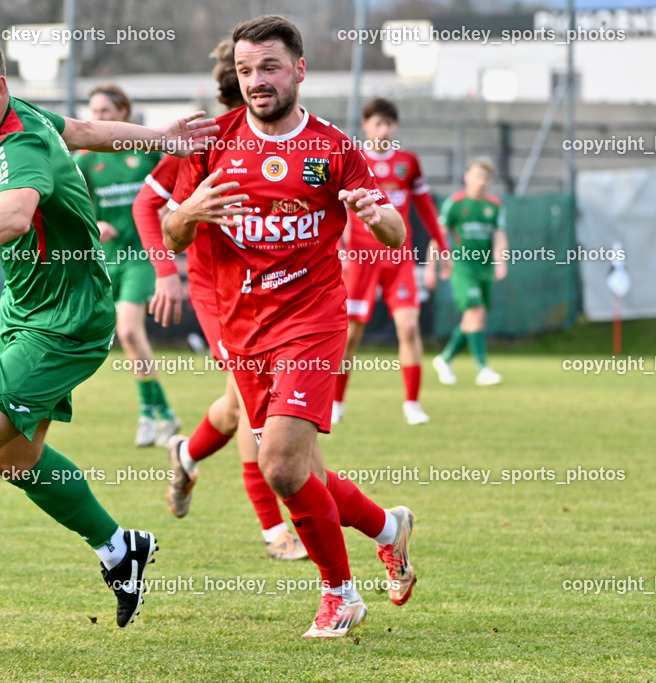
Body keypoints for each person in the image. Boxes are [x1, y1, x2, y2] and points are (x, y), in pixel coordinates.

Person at [0, 29, 217, 655]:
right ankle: (121, 548)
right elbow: (82, 131)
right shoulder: (23, 117)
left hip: (63, 324)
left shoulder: (18, 141)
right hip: (28, 309)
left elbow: (10, 215)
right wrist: (160, 139)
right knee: (13, 460)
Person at [162, 15, 418, 638]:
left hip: (312, 321)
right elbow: (172, 230)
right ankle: (389, 528)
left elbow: (395, 231)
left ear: (299, 70)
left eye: (269, 68)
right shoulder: (211, 143)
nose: (257, 81)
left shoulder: (334, 147)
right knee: (307, 474)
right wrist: (188, 212)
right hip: (243, 329)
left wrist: (373, 212)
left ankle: (340, 594)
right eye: (246, 71)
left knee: (278, 464)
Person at [133, 39, 306, 561]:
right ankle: (274, 530)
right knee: (256, 411)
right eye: (248, 81)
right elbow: (149, 206)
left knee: (236, 408)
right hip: (221, 295)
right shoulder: (209, 138)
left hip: (278, 298)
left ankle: (185, 454)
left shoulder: (298, 138)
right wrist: (167, 273)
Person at [333, 98, 451, 426]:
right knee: (350, 334)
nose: (382, 129)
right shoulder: (352, 160)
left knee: (409, 328)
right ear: (366, 125)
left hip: (398, 256)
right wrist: (339, 250)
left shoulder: (407, 162)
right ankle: (336, 403)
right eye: (376, 123)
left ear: (394, 126)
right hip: (360, 259)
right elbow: (335, 209)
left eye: (388, 123)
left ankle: (412, 404)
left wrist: (442, 247)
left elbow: (425, 207)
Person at [76, 85, 179, 447]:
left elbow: (174, 192)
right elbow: (75, 206)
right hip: (107, 259)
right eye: (93, 111)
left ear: (123, 112)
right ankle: (159, 412)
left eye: (105, 111)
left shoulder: (147, 151)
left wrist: (165, 215)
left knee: (131, 332)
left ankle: (150, 414)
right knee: (125, 339)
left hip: (142, 256)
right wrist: (95, 225)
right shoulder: (87, 160)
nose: (97, 118)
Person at [430, 158, 507, 386]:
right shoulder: (455, 204)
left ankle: (445, 359)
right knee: (476, 312)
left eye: (485, 177)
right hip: (462, 266)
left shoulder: (494, 205)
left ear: (489, 181)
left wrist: (501, 261)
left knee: (472, 318)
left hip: (484, 267)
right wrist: (431, 268)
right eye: (476, 176)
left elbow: (499, 235)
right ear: (467, 177)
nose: (480, 181)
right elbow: (438, 236)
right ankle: (483, 369)